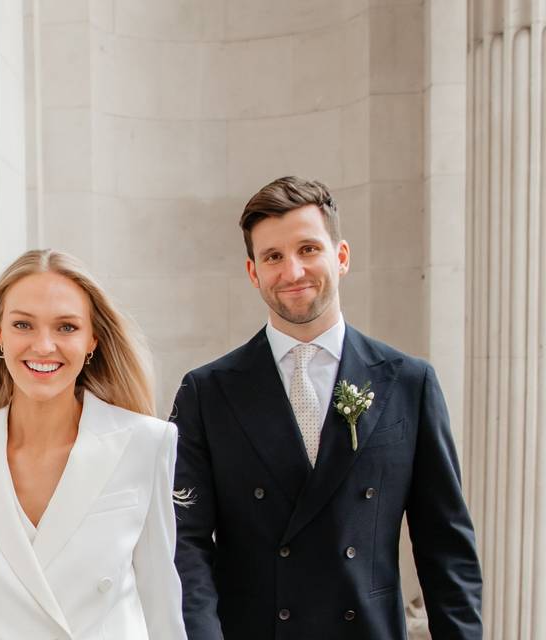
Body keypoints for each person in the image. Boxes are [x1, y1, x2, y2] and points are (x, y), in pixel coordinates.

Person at [172, 177, 483, 639]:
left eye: (308, 249)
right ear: (253, 272)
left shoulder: (409, 383)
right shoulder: (206, 392)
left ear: (340, 256)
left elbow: (446, 549)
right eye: (273, 257)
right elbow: (185, 547)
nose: (293, 271)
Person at [0, 249, 187, 639]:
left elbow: (161, 604)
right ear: (0, 337)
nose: (44, 346)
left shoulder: (146, 443)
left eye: (66, 327)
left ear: (92, 340)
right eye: (23, 325)